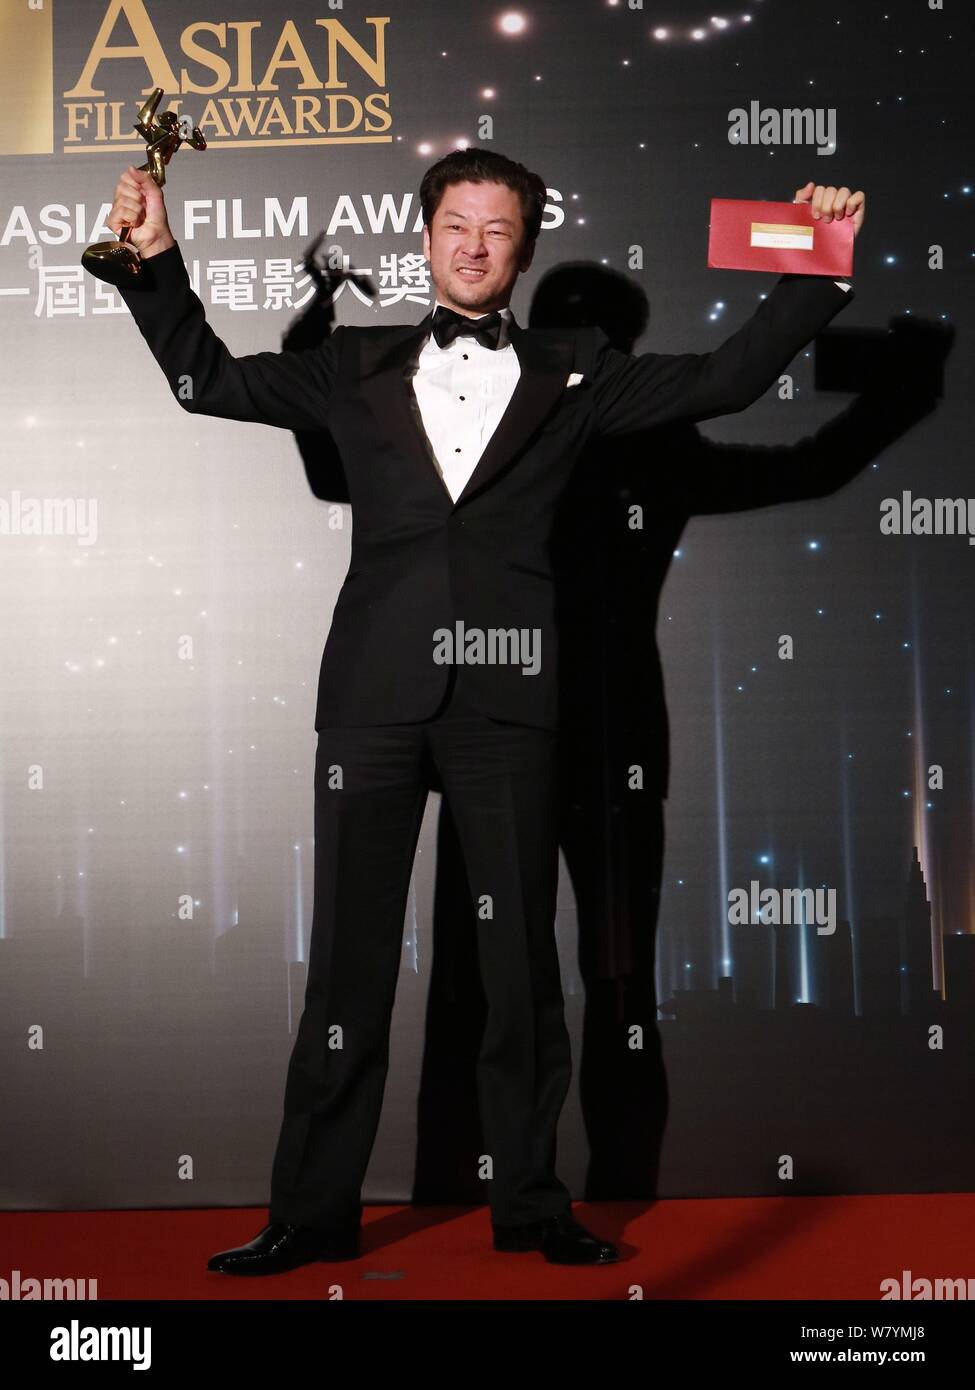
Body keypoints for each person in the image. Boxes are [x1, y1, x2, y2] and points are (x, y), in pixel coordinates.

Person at [103, 149, 864, 1270]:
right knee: (348, 968)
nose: (472, 245)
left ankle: (534, 1205)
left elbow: (732, 382)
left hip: (510, 697)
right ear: (424, 235)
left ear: (524, 247)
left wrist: (818, 258)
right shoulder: (351, 365)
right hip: (372, 700)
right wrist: (154, 259)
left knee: (520, 975)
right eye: (455, 223)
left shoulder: (580, 370)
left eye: (496, 230)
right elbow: (207, 380)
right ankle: (309, 1214)